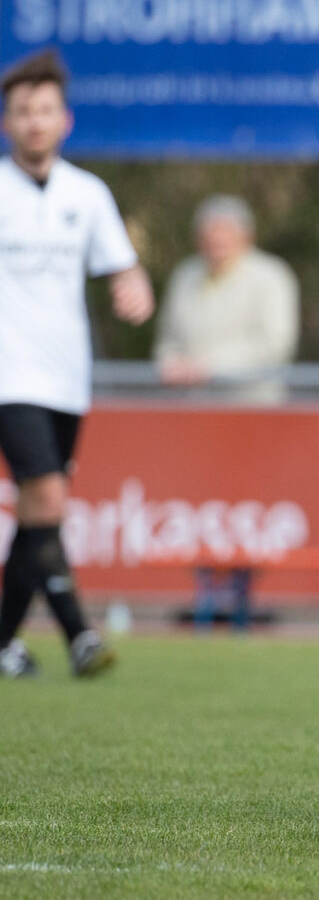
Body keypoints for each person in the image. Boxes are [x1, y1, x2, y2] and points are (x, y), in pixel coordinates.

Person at [0, 49, 156, 679]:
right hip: (9, 374)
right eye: (21, 112)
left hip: (67, 377)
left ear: (64, 120)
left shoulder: (86, 194)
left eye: (44, 111)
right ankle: (80, 635)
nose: (34, 122)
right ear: (7, 123)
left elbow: (122, 265)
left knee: (43, 512)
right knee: (45, 495)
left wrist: (134, 286)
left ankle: (19, 641)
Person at [154, 194, 300, 404]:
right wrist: (171, 364)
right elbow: (167, 339)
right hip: (190, 408)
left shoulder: (272, 276)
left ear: (246, 235)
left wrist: (210, 367)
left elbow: (275, 344)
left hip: (252, 408)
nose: (217, 238)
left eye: (226, 230)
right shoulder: (184, 275)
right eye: (210, 231)